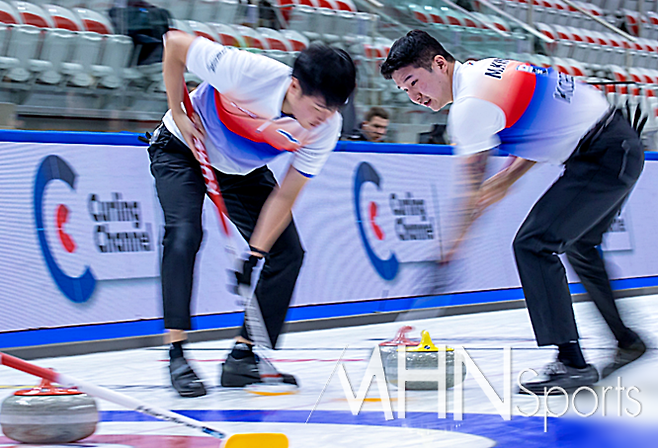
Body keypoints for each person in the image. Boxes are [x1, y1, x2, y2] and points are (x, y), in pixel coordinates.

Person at [380, 30, 646, 393]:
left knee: (533, 244)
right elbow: (545, 127)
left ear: (439, 64)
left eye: (413, 82)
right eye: (404, 90)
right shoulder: (484, 70)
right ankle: (626, 340)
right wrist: (508, 177)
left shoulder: (471, 105)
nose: (414, 96)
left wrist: (449, 252)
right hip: (614, 146)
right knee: (579, 247)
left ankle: (571, 363)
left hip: (603, 155)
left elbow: (469, 194)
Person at [148, 31, 356, 397]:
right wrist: (178, 113)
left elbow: (286, 193)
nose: (324, 120)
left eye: (334, 112)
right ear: (294, 87)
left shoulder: (326, 128)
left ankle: (243, 356)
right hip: (182, 147)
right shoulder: (246, 72)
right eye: (319, 109)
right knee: (185, 234)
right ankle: (177, 352)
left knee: (288, 252)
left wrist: (254, 253)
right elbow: (175, 44)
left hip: (239, 171)